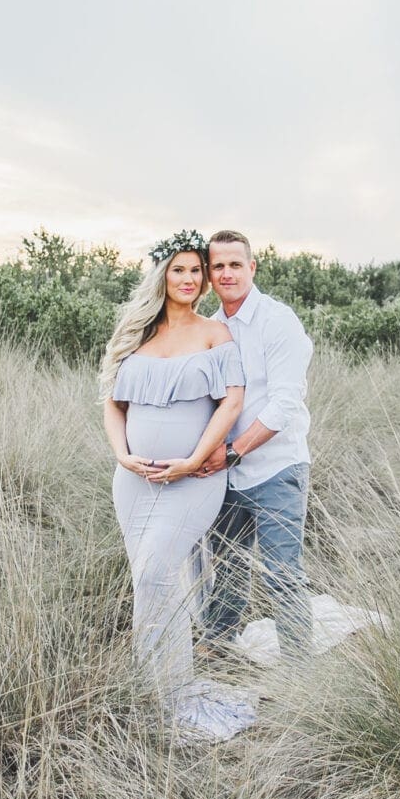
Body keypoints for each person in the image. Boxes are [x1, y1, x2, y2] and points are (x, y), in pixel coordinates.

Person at [100, 230, 255, 740]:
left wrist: (191, 461)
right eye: (179, 270)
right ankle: (152, 688)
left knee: (154, 573)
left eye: (196, 271)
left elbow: (231, 403)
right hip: (134, 482)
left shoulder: (215, 334)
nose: (189, 279)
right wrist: (122, 456)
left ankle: (173, 695)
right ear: (162, 276)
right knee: (150, 583)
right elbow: (113, 405)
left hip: (193, 479)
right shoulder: (138, 334)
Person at [198, 229, 315, 662]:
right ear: (210, 274)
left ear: (252, 267)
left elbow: (285, 404)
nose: (227, 273)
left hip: (276, 469)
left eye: (235, 264)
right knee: (227, 568)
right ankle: (217, 649)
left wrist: (232, 451)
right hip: (227, 474)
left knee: (283, 575)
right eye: (218, 266)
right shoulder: (212, 328)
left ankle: (300, 671)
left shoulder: (277, 320)